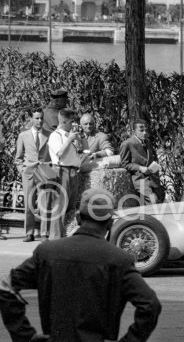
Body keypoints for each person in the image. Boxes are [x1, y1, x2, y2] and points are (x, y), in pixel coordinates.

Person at [0, 188, 162, 342]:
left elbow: (5, 288)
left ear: (78, 218)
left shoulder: (47, 252)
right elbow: (150, 304)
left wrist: (26, 335)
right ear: (110, 223)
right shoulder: (119, 260)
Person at [14, 108, 52, 242]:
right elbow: (18, 158)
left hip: (44, 173)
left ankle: (44, 233)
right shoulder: (23, 136)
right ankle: (29, 232)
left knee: (45, 204)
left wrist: (50, 168)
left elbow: (53, 154)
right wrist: (22, 171)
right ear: (31, 119)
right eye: (37, 118)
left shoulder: (50, 135)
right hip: (28, 173)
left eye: (41, 118)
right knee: (29, 204)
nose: (40, 120)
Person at [48, 108, 82, 239]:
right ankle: (55, 238)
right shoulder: (55, 135)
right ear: (63, 121)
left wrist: (76, 140)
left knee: (71, 206)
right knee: (60, 205)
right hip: (62, 171)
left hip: (73, 170)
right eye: (71, 122)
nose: (73, 124)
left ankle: (67, 234)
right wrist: (69, 140)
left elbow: (79, 150)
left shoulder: (69, 135)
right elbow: (59, 153)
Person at [120, 119, 165, 204]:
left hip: (153, 177)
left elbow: (150, 158)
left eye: (146, 130)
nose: (144, 133)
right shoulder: (127, 144)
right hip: (140, 179)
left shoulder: (147, 142)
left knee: (160, 200)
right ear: (134, 131)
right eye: (141, 130)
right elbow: (125, 164)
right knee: (153, 200)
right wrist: (140, 168)